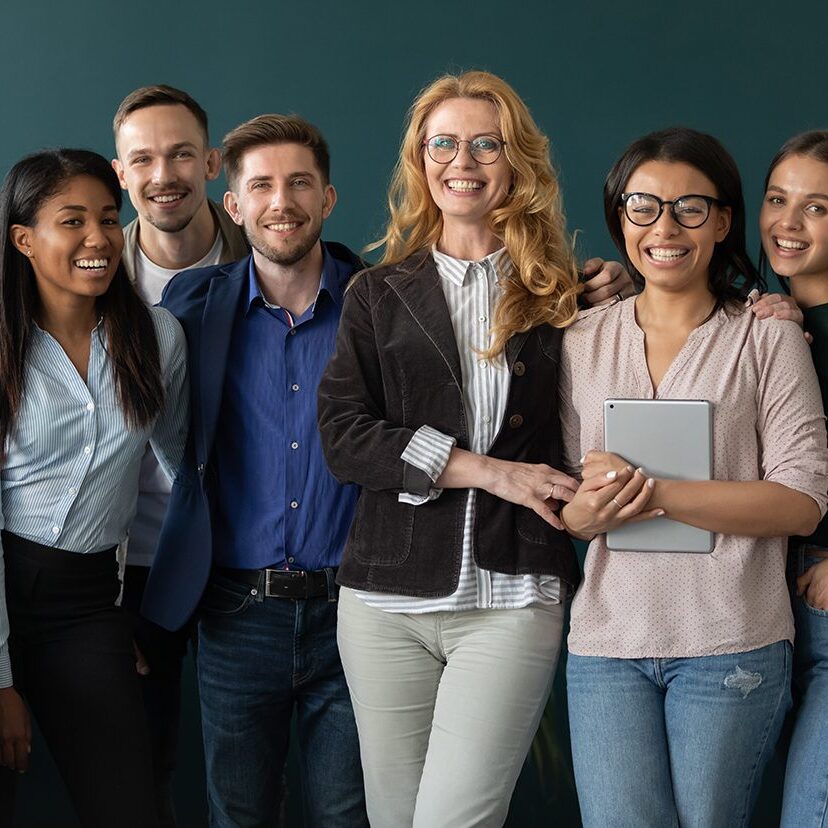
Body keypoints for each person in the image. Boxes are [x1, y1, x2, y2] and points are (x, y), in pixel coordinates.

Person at [317, 69, 619, 827]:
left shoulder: (564, 296)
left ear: (516, 161)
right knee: (394, 818)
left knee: (457, 818)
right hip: (384, 599)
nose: (464, 160)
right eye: (443, 143)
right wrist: (489, 471)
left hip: (513, 595)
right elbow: (345, 436)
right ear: (420, 162)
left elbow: (682, 306)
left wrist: (767, 299)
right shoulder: (377, 293)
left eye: (487, 144)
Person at [558, 127, 828, 827]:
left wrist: (647, 491)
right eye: (643, 206)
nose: (665, 227)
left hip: (730, 639)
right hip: (607, 645)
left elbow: (801, 502)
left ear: (724, 221)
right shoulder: (582, 339)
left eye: (690, 208)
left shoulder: (767, 335)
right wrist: (586, 513)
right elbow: (568, 502)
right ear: (621, 217)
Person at [140, 113, 369, 828]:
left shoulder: (380, 302)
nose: (282, 202)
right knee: (238, 814)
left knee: (348, 813)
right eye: (261, 186)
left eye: (300, 183)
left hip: (359, 611)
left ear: (327, 200)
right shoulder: (191, 309)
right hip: (236, 613)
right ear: (232, 205)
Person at [0, 149, 188, 827]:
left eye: (109, 219)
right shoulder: (3, 345)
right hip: (3, 586)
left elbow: (184, 471)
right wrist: (1, 679)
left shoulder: (156, 337)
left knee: (130, 809)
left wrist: (146, 614)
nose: (97, 239)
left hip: (86, 609)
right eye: (71, 220)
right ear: (24, 239)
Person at [111, 83, 247, 828]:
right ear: (121, 173)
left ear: (214, 163)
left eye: (182, 154)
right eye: (144, 159)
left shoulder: (268, 262)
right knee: (143, 763)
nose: (164, 174)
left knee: (246, 769)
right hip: (129, 565)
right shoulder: (89, 279)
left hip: (235, 556)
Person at [757, 130, 828, 828]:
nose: (788, 222)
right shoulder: (763, 318)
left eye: (817, 207)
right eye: (779, 200)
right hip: (762, 601)